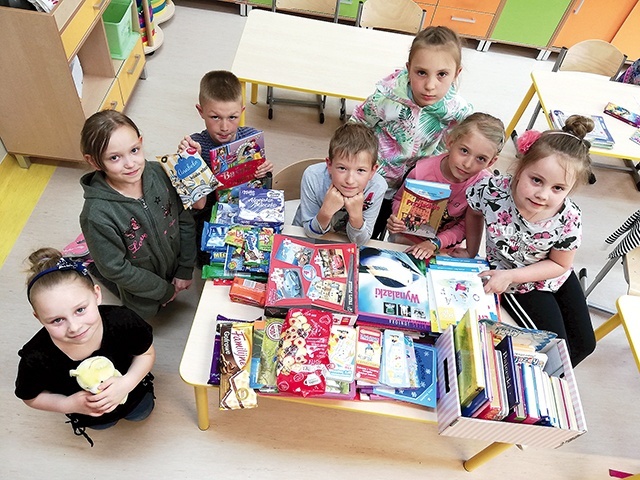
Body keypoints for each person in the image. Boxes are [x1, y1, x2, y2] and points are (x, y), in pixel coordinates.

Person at [463, 115, 597, 367]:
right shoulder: (493, 190)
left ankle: (553, 382)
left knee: (585, 345)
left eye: (558, 188)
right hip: (516, 283)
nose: (543, 195)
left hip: (553, 274)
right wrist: (472, 252)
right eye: (536, 180)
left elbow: (560, 265)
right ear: (520, 167)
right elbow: (474, 209)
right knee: (556, 347)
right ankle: (544, 381)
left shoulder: (569, 217)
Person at [15, 248, 156, 446]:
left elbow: (146, 353)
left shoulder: (122, 321)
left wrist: (127, 383)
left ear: (97, 295)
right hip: (88, 413)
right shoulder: (36, 357)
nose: (74, 327)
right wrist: (68, 404)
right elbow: (30, 397)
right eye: (57, 320)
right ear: (39, 318)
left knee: (141, 413)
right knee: (103, 424)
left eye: (80, 310)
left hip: (134, 392)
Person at [350, 25, 473, 239]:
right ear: (408, 69)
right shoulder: (386, 96)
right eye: (421, 73)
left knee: (400, 236)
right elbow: (358, 124)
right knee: (366, 232)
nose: (430, 85)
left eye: (442, 74)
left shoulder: (459, 112)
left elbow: (460, 146)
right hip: (377, 178)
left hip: (419, 186)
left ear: (457, 73)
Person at [79, 110, 197, 320]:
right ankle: (91, 263)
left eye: (134, 150)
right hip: (140, 282)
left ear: (141, 142)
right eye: (115, 157)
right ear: (95, 162)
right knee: (145, 313)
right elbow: (117, 270)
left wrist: (185, 268)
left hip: (170, 260)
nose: (130, 163)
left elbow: (184, 219)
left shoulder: (160, 173)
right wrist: (163, 291)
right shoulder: (96, 215)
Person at [178, 70, 274, 265]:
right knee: (211, 263)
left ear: (242, 111)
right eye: (215, 117)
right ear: (200, 111)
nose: (224, 127)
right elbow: (196, 206)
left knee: (256, 260)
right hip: (208, 221)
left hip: (247, 215)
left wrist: (265, 172)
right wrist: (191, 162)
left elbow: (263, 191)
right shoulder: (194, 146)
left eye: (232, 117)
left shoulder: (251, 138)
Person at [386, 112, 505, 260]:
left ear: (491, 162)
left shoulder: (483, 186)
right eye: (464, 151)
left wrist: (435, 243)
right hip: (406, 240)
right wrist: (397, 217)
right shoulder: (422, 171)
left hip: (445, 247)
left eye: (481, 158)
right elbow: (399, 199)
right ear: (450, 142)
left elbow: (465, 226)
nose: (467, 164)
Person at [292, 123, 386, 246]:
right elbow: (310, 233)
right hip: (304, 239)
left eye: (361, 170)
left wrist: (356, 215)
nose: (350, 180)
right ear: (329, 165)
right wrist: (326, 212)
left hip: (344, 246)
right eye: (342, 168)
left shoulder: (377, 187)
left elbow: (360, 242)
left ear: (373, 171)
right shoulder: (313, 176)